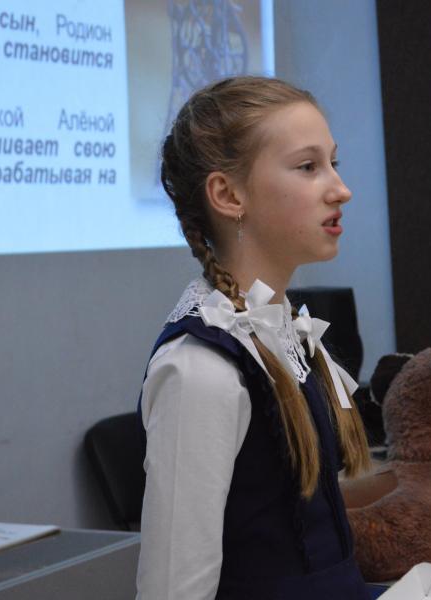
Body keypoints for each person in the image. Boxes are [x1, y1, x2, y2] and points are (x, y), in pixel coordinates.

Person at [136, 76, 371, 599]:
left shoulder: (287, 332)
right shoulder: (201, 369)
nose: (341, 189)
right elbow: (174, 588)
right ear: (228, 194)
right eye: (308, 167)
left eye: (334, 162)